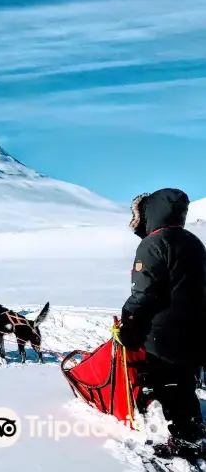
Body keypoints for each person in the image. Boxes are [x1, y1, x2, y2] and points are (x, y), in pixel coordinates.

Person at [119, 189, 206, 458]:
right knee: (184, 382)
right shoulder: (193, 241)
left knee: (167, 383)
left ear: (149, 213)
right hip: (195, 328)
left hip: (163, 331)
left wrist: (129, 323)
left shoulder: (154, 244)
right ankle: (191, 431)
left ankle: (183, 440)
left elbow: (144, 293)